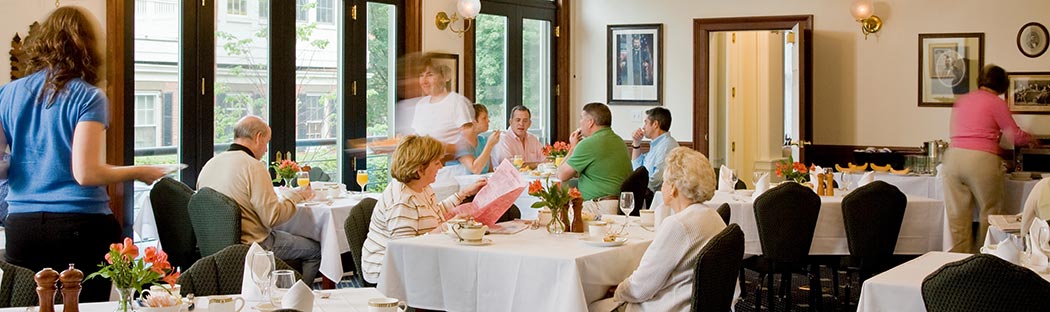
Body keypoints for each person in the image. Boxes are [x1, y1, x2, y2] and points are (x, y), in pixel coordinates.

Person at [0, 6, 167, 302]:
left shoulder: (8, 94)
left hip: (22, 226)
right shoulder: (88, 97)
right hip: (78, 226)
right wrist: (140, 171)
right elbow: (86, 173)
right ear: (87, 48)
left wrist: (32, 161)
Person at [589, 147, 729, 312]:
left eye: (664, 182)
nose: (662, 188)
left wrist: (618, 291)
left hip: (671, 306)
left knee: (586, 305)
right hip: (697, 303)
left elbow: (641, 287)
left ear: (673, 188)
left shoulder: (679, 225)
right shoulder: (713, 216)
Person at [197, 115, 321, 283]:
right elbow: (272, 217)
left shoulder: (210, 164)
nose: (266, 149)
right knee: (315, 250)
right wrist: (298, 196)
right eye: (267, 142)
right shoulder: (253, 166)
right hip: (253, 246)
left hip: (214, 245)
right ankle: (298, 300)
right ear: (258, 137)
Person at [361, 135, 486, 284]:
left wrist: (464, 193)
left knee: (469, 268)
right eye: (436, 162)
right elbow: (405, 250)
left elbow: (434, 213)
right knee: (468, 274)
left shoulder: (421, 186)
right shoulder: (401, 201)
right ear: (420, 169)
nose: (441, 167)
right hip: (388, 273)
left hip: (413, 261)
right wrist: (449, 226)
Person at [943, 64, 1036, 253]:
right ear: (1002, 85)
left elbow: (971, 138)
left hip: (952, 158)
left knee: (957, 217)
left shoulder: (963, 100)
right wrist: (1031, 139)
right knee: (991, 213)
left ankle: (957, 262)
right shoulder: (996, 102)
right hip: (980, 163)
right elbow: (1015, 136)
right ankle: (985, 258)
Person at [557, 102, 632, 215]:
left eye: (581, 118)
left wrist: (572, 148)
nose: (580, 122)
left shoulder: (588, 144)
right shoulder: (619, 141)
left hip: (599, 206)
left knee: (556, 213)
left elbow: (561, 175)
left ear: (590, 122)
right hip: (618, 203)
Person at [630, 107, 678, 193]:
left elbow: (657, 179)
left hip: (655, 197)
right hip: (646, 194)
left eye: (646, 123)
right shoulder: (656, 145)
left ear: (655, 124)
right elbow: (637, 170)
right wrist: (636, 143)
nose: (643, 127)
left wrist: (636, 188)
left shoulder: (667, 145)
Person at [452, 104, 501, 175]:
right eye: (484, 118)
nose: (488, 121)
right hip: (464, 185)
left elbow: (490, 171)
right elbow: (475, 169)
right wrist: (490, 145)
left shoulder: (483, 141)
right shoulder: (460, 143)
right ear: (473, 122)